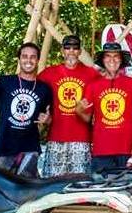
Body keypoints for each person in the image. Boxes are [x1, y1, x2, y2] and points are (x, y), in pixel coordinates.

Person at [0, 42, 52, 174]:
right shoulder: (4, 82)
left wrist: (48, 120)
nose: (28, 60)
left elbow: (49, 118)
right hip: (3, 149)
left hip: (29, 151)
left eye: (32, 57)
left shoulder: (44, 89)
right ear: (19, 60)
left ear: (37, 60)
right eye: (25, 56)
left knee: (29, 192)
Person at [76, 42, 132, 172]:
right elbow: (87, 119)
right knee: (101, 190)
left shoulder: (131, 83)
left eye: (116, 56)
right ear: (103, 60)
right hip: (101, 150)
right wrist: (79, 110)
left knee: (128, 189)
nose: (112, 60)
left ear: (121, 60)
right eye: (108, 56)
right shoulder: (93, 86)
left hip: (128, 149)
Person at [37, 35, 102, 176]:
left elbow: (108, 91)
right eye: (67, 47)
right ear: (62, 50)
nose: (71, 51)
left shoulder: (92, 74)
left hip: (82, 140)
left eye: (75, 48)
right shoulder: (49, 73)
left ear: (80, 51)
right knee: (53, 185)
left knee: (80, 185)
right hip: (56, 138)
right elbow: (30, 89)